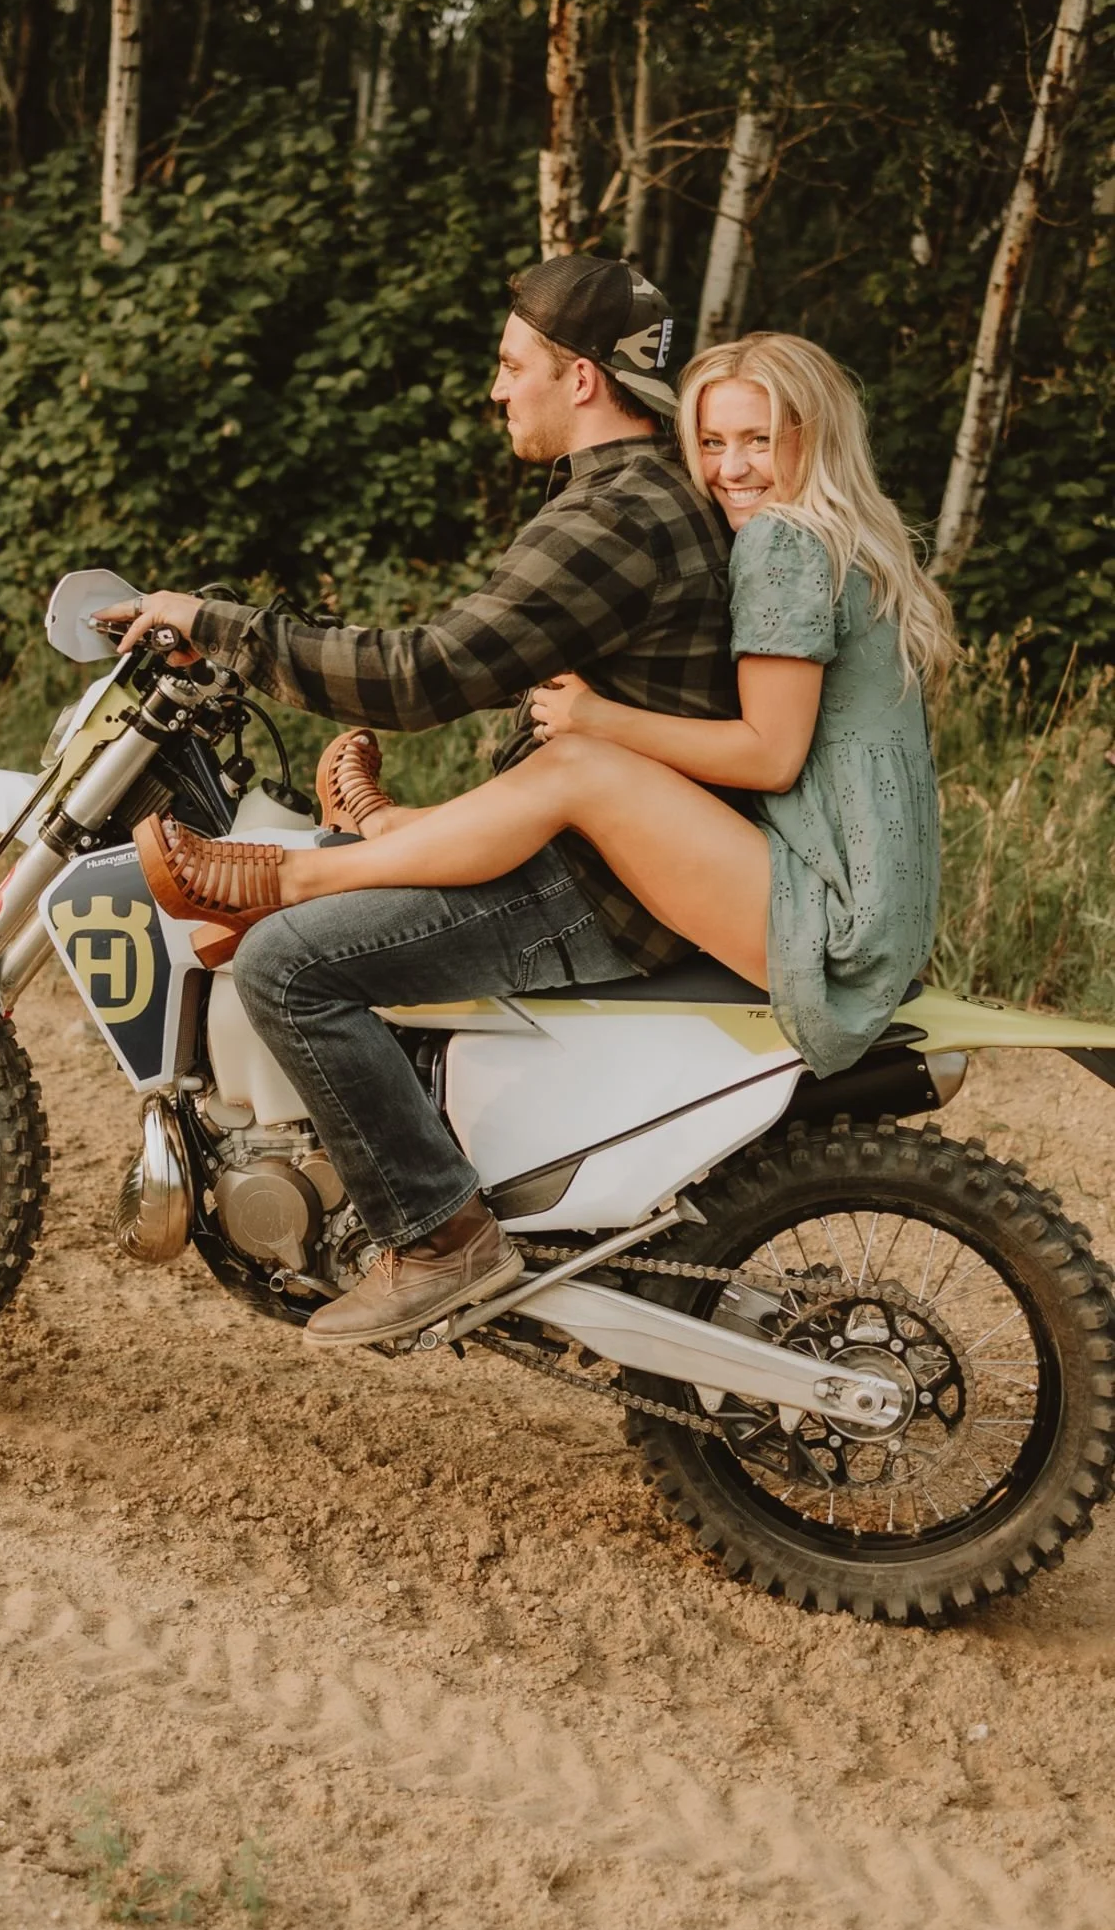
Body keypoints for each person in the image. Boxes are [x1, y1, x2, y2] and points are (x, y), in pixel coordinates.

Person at [125, 331, 959, 1347]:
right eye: (714, 442)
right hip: (844, 894)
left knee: (572, 770)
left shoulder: (784, 544)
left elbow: (771, 756)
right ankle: (383, 835)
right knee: (569, 776)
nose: (732, 467)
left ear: (813, 439)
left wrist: (599, 719)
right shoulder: (829, 537)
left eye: (759, 440)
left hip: (827, 916)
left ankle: (297, 894)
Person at [101, 254, 739, 1349]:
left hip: (596, 884)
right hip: (597, 845)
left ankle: (440, 1235)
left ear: (581, 379)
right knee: (341, 859)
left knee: (287, 963)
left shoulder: (618, 518)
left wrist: (222, 627)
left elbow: (424, 674)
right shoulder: (630, 497)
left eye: (511, 365)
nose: (497, 390)